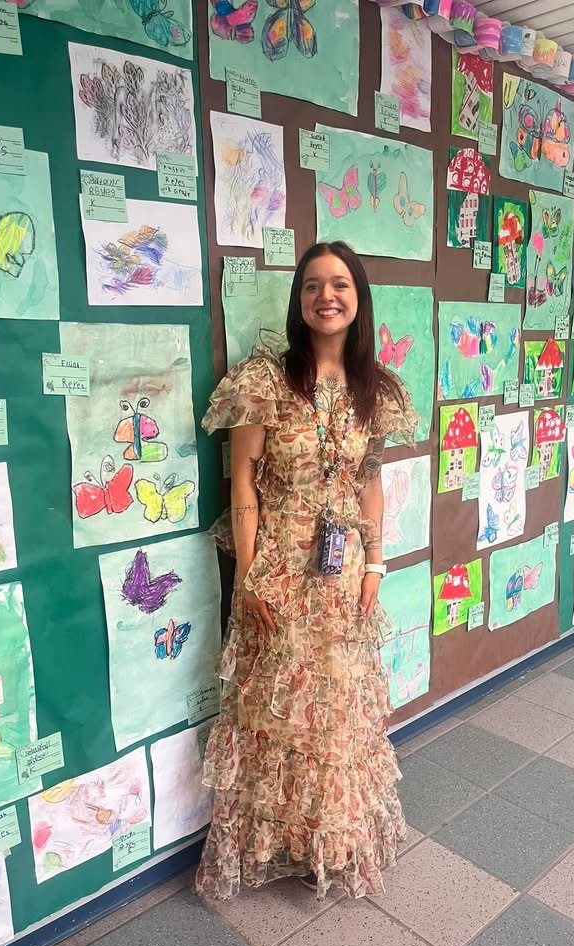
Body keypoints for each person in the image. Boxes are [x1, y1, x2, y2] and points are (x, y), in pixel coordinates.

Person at [196, 241, 417, 901]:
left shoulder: (376, 389)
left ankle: (332, 840)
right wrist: (250, 579)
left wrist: (376, 565)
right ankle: (279, 842)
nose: (327, 296)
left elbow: (370, 484)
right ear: (299, 300)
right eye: (314, 285)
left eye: (340, 284)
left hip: (342, 577)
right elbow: (242, 485)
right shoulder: (264, 381)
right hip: (278, 571)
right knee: (277, 714)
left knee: (337, 712)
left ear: (358, 298)